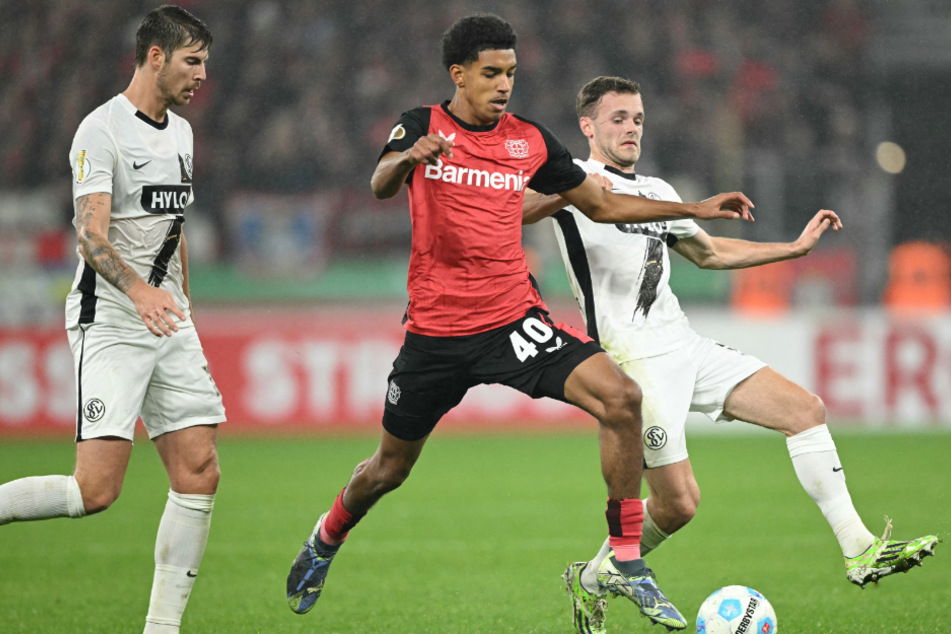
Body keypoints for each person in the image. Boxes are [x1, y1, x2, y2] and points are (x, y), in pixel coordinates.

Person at [286, 14, 754, 632]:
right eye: (490, 73)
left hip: (513, 322)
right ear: (459, 74)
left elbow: (604, 202)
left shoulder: (530, 140)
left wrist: (692, 208)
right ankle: (327, 536)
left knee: (621, 398)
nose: (504, 84)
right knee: (388, 469)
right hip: (435, 335)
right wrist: (406, 158)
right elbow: (378, 185)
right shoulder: (421, 124)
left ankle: (626, 558)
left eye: (510, 72)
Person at [522, 75, 939, 634]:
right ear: (588, 126)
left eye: (638, 119)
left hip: (685, 345)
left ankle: (859, 548)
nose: (631, 129)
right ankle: (598, 576)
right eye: (618, 118)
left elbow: (711, 252)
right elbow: (519, 209)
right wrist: (558, 190)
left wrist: (793, 247)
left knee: (805, 410)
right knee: (679, 506)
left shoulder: (660, 190)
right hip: (633, 362)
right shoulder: (572, 184)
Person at [0, 6, 224, 633]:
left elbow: (171, 228)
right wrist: (141, 293)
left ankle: (162, 630)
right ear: (156, 57)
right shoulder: (100, 131)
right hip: (113, 316)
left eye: (204, 61)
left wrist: (184, 304)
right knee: (93, 492)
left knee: (199, 469)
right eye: (193, 60)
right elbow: (90, 238)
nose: (203, 74)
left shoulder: (181, 132)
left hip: (168, 317)